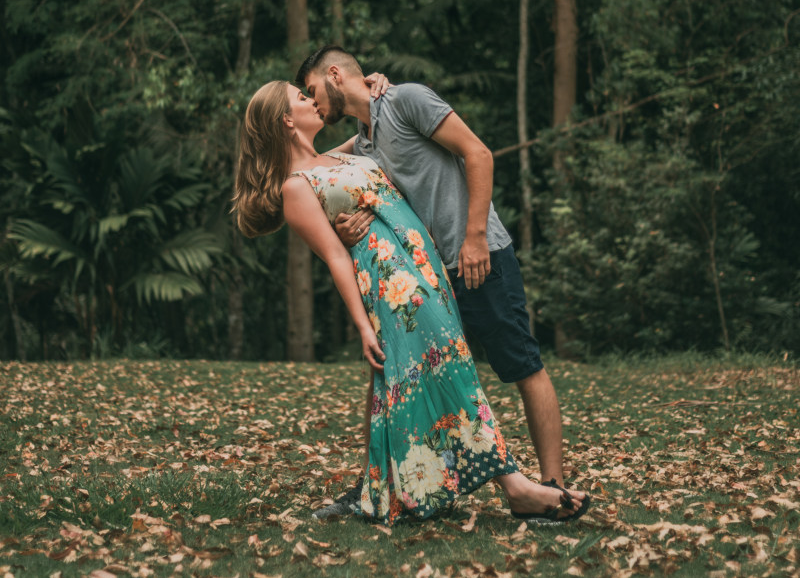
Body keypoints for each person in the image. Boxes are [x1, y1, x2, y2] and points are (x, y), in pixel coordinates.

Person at [233, 79, 585, 525]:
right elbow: (337, 259)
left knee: (408, 382)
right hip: (395, 290)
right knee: (451, 371)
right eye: (301, 97)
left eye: (310, 90)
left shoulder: (341, 154)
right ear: (286, 119)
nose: (311, 99)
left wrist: (375, 84)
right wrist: (363, 326)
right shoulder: (295, 187)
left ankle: (392, 488)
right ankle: (517, 487)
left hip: (428, 272)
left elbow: (373, 126)